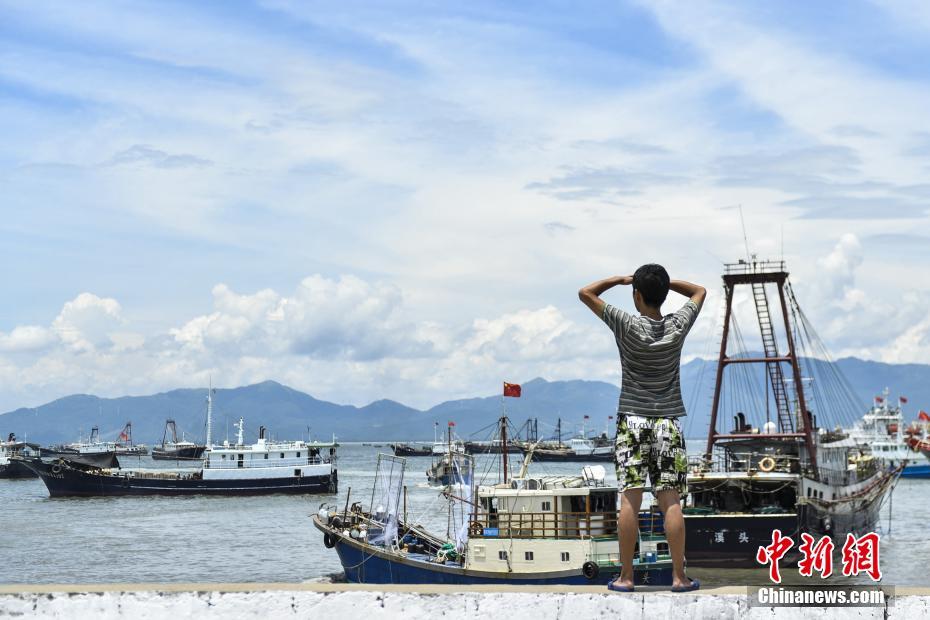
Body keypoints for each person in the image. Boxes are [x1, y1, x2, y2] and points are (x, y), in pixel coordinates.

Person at [578, 264, 705, 592]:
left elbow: (586, 293)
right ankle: (679, 577)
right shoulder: (677, 325)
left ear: (636, 295)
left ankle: (626, 577)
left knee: (629, 501)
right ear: (662, 295)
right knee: (671, 501)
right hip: (667, 422)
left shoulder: (626, 324)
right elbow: (699, 292)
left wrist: (620, 279)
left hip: (632, 421)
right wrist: (664, 283)